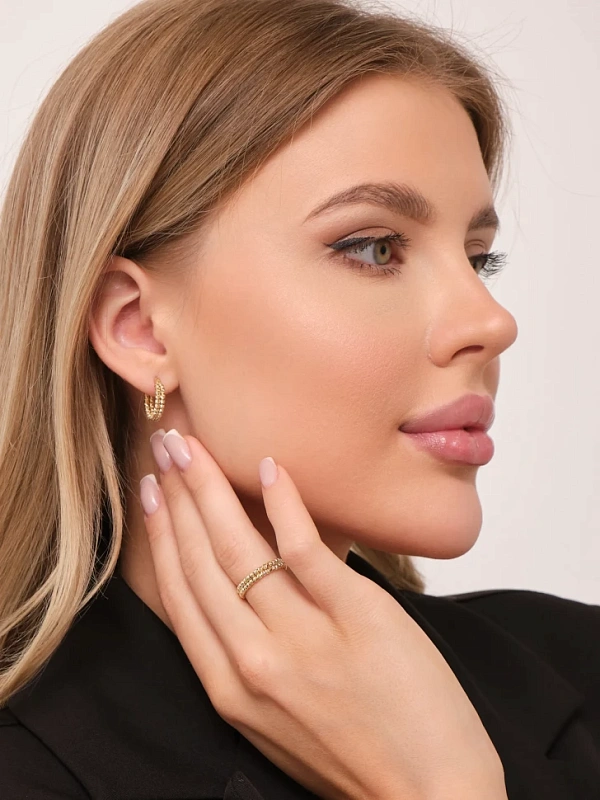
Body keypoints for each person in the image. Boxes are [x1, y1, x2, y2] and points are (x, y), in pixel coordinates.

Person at [0, 0, 598, 797]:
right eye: (374, 248)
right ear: (138, 328)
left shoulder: (580, 674)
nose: (492, 322)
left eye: (478, 257)